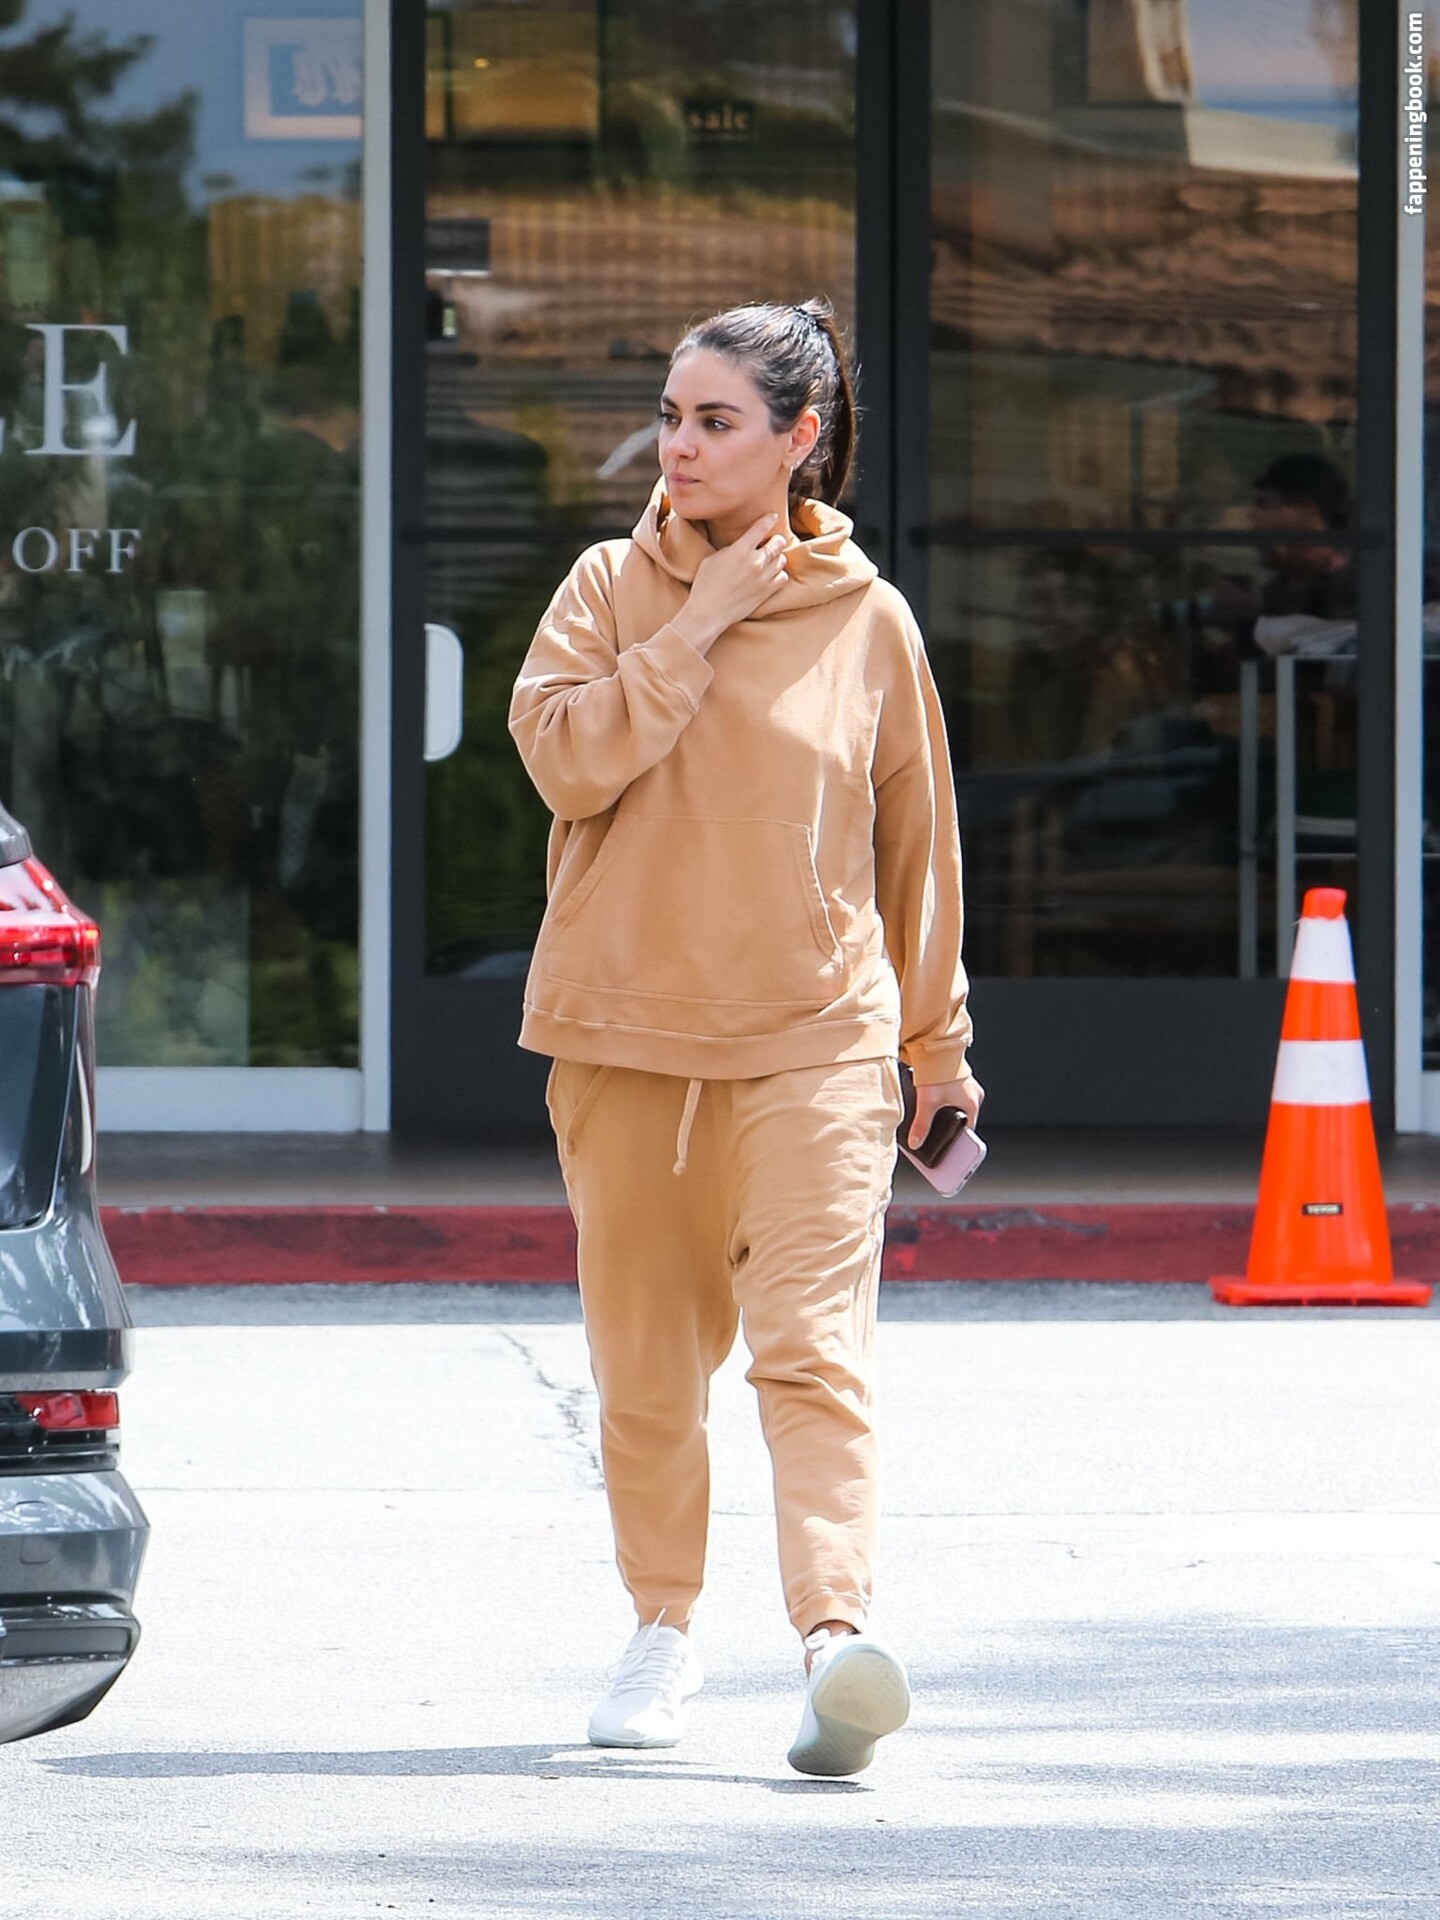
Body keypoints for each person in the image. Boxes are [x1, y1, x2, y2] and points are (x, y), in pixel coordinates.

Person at [508, 298, 980, 1777]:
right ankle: (661, 1626)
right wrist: (699, 621)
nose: (681, 446)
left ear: (799, 440)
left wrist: (939, 1047)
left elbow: (916, 851)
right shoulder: (606, 586)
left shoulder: (869, 622)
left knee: (813, 1354)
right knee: (647, 1373)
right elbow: (565, 763)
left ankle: (836, 1644)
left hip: (816, 1042)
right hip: (624, 1037)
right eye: (672, 416)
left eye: (716, 421)